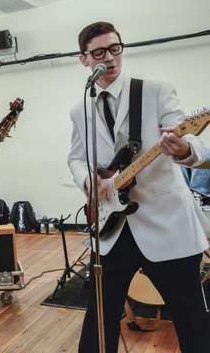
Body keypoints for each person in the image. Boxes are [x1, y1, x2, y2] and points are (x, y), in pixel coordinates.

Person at [67, 21, 210, 353]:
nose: (111, 57)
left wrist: (185, 149)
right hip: (110, 229)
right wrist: (89, 180)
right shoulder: (80, 109)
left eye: (115, 48)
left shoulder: (157, 90)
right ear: (84, 59)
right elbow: (76, 158)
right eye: (100, 51)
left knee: (191, 318)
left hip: (166, 224)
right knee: (98, 321)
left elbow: (193, 145)